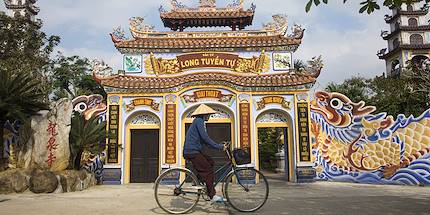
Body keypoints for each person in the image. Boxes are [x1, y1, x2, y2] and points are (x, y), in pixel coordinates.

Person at [183, 104, 227, 203]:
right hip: (192, 151)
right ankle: (212, 195)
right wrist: (219, 147)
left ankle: (200, 181)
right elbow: (205, 138)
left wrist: (216, 145)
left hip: (194, 150)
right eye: (209, 115)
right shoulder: (199, 121)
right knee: (208, 170)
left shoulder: (199, 122)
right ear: (204, 114)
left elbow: (204, 141)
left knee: (210, 161)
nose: (209, 117)